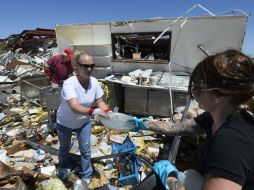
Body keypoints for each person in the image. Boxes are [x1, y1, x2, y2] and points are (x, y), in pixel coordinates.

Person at [128, 50, 254, 190]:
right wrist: (145, 124)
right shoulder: (218, 116)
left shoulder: (230, 142)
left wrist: (170, 178)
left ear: (220, 94)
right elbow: (179, 128)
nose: (195, 91)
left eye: (201, 85)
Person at [56, 52, 110, 184]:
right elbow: (74, 106)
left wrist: (107, 111)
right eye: (85, 66)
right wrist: (93, 112)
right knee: (64, 147)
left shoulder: (94, 82)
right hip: (64, 122)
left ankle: (87, 174)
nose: (89, 69)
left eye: (92, 66)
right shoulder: (70, 83)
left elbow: (99, 100)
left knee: (85, 149)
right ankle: (63, 167)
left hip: (83, 122)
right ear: (76, 67)